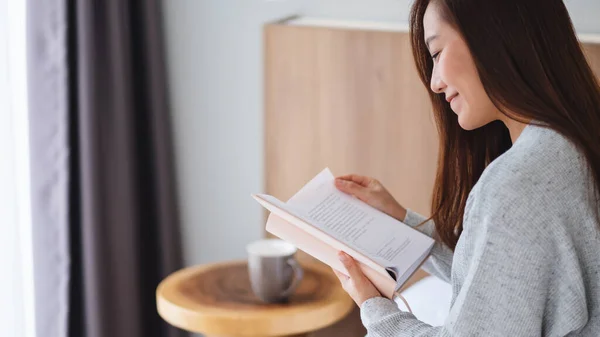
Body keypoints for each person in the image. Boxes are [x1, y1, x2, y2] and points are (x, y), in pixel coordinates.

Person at [331, 0, 600, 336]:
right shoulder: (575, 141)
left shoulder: (515, 184)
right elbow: (498, 279)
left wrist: (376, 309)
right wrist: (403, 220)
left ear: (495, 37)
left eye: (438, 52)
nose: (434, 83)